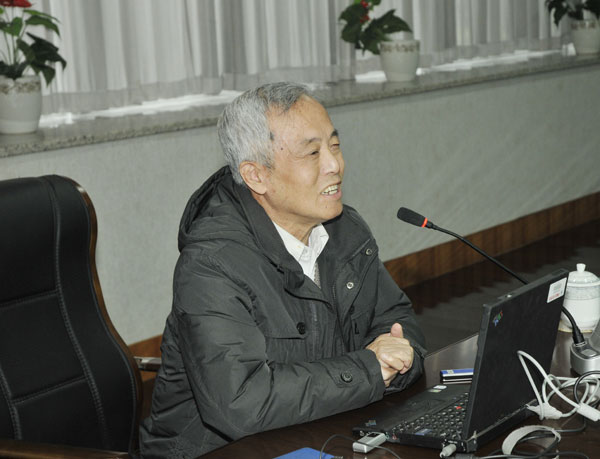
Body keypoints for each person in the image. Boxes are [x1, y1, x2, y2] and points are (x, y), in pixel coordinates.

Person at [139, 82, 426, 458]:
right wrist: (370, 369)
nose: (335, 165)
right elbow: (241, 403)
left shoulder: (345, 230)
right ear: (257, 175)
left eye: (335, 145)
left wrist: (396, 361)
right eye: (313, 152)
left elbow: (398, 323)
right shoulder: (212, 264)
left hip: (318, 433)